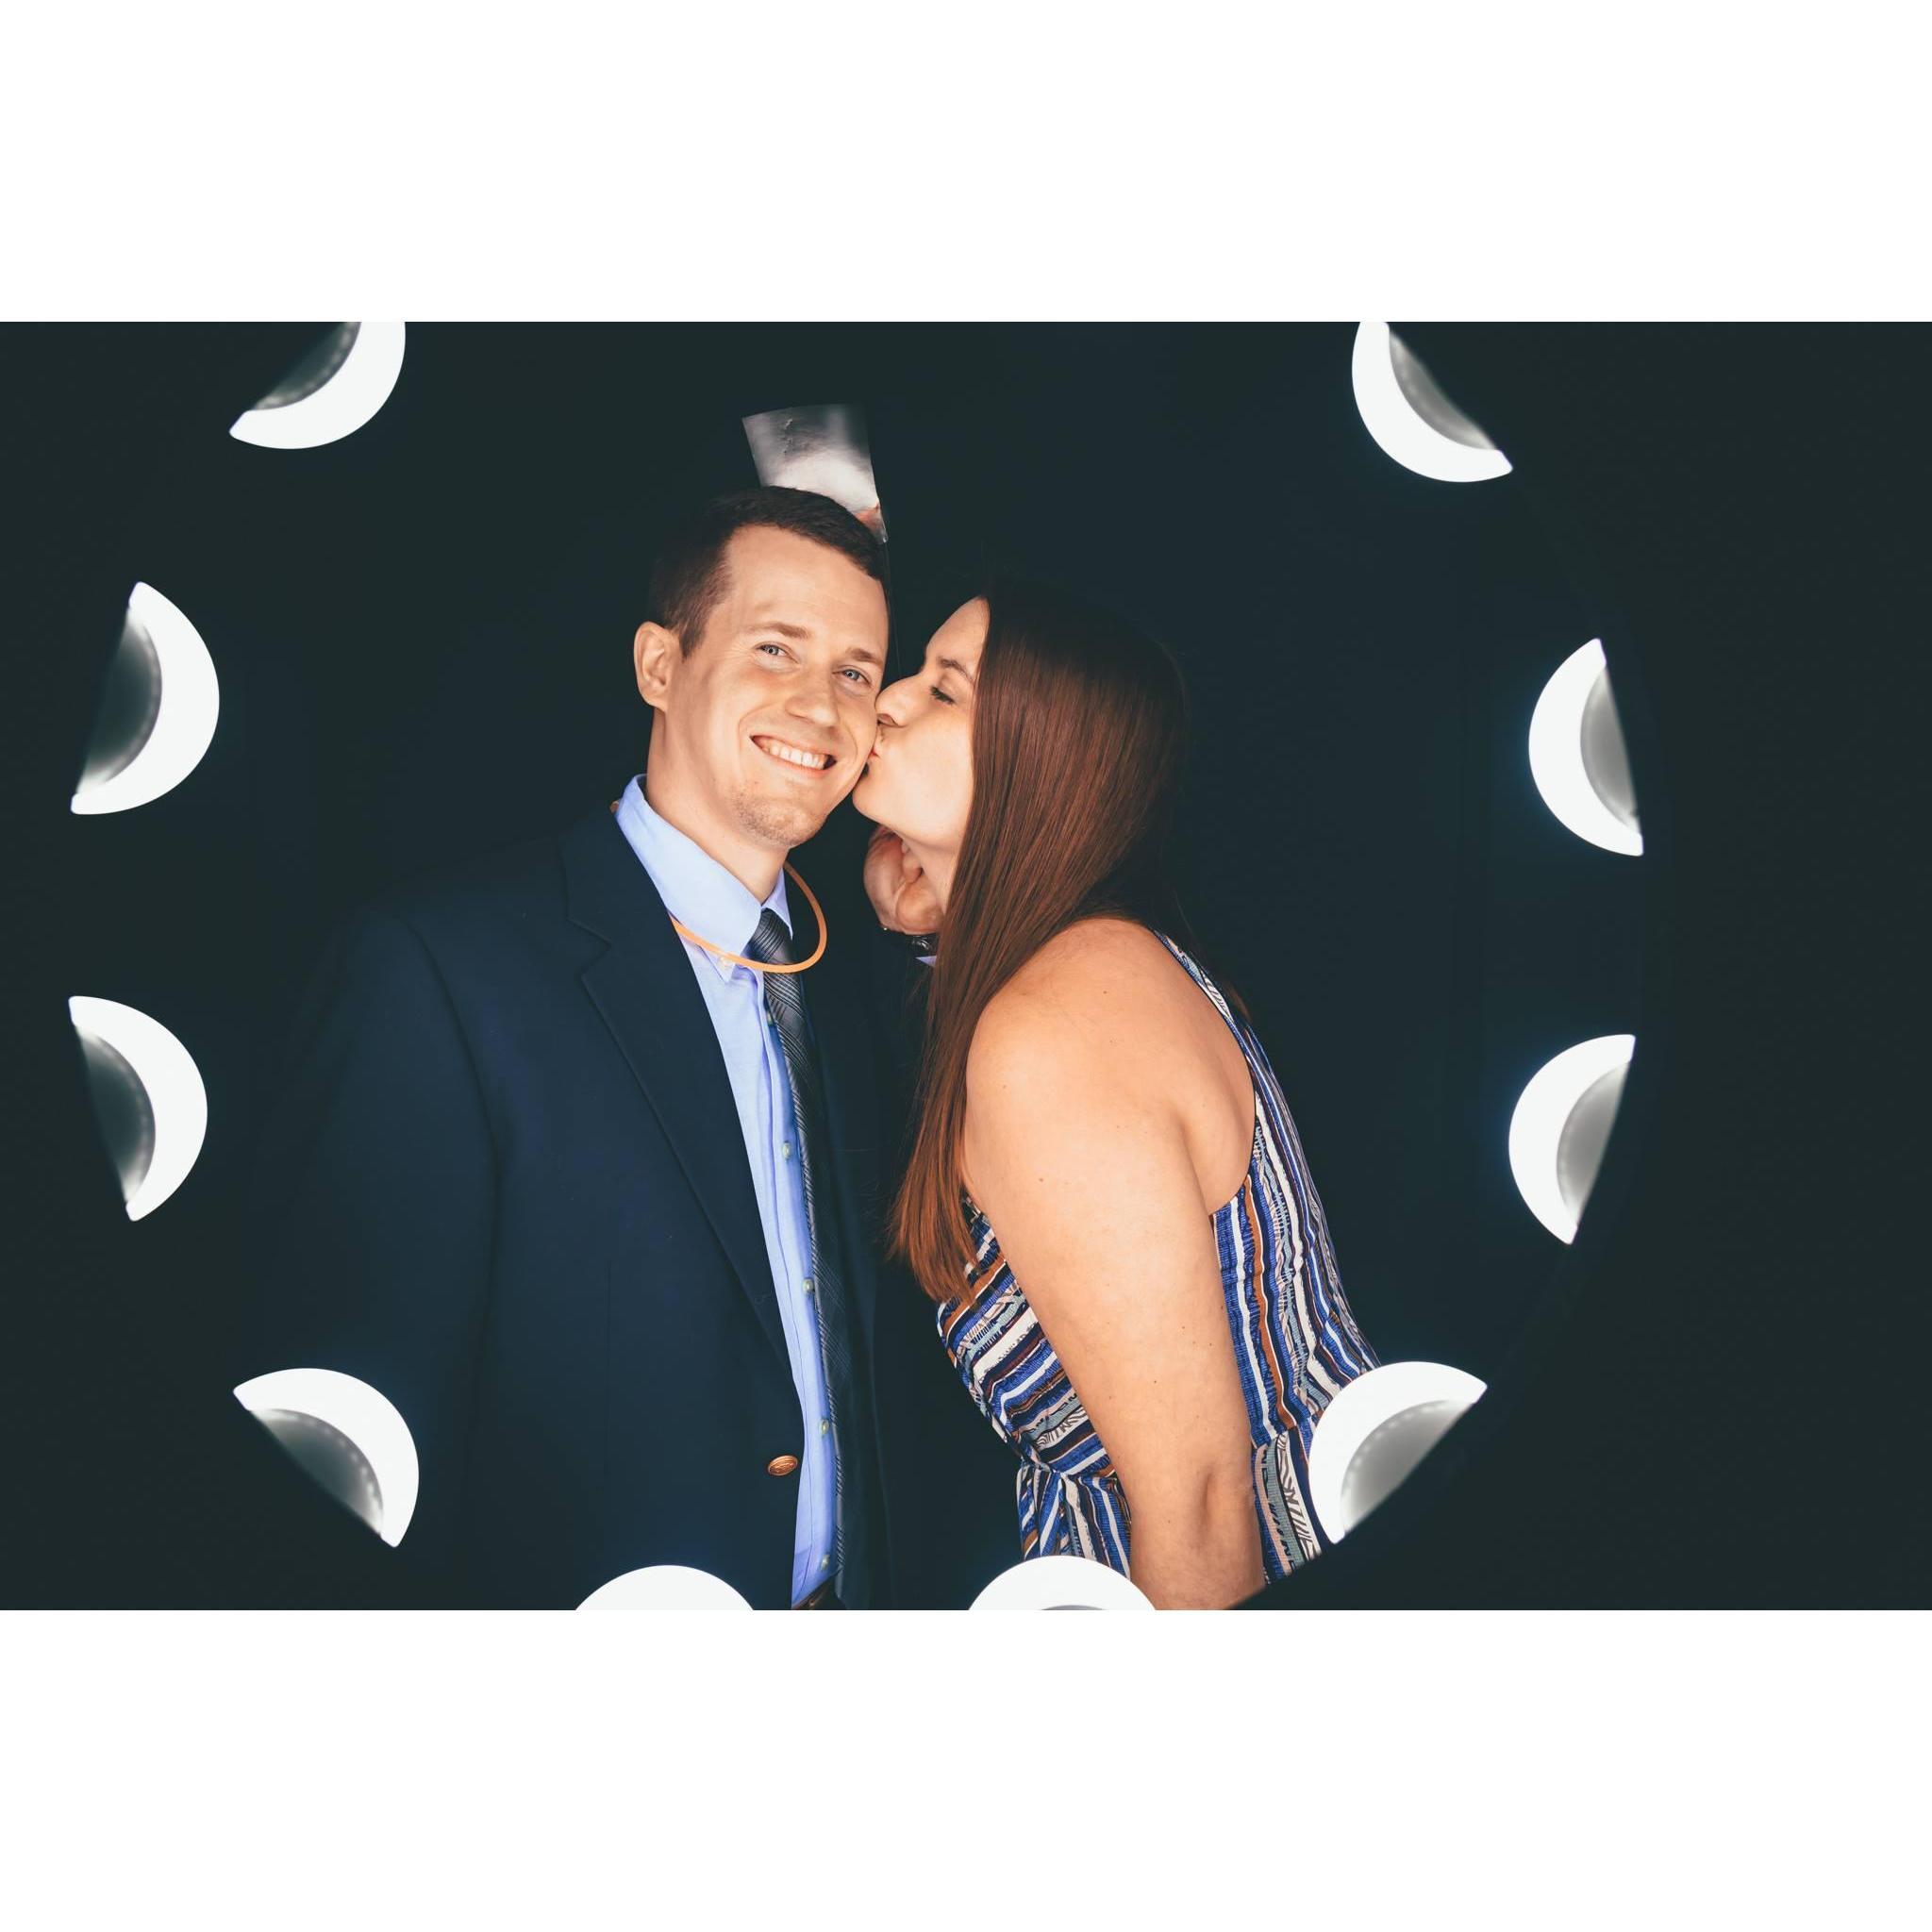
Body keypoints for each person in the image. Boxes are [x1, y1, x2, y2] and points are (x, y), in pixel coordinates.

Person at [241, 485, 1001, 1608]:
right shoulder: (437, 968)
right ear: (658, 665)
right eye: (774, 648)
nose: (820, 706)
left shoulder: (851, 986)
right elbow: (338, 1436)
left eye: (855, 671)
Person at [855, 579, 1382, 1608]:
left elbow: (1200, 1503)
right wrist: (933, 906)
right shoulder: (1089, 964)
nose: (888, 699)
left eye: (944, 691)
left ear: (1037, 764)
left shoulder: (1051, 1034)